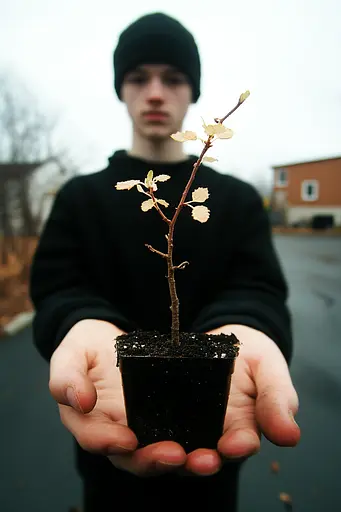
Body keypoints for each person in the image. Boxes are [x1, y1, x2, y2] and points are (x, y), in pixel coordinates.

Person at [29, 12, 300, 512]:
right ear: (121, 90)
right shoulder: (80, 198)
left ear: (192, 91)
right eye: (139, 78)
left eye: (173, 79)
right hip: (108, 456)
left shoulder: (236, 200)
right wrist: (79, 322)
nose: (155, 93)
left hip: (214, 455)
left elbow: (258, 288)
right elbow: (56, 288)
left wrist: (247, 327)